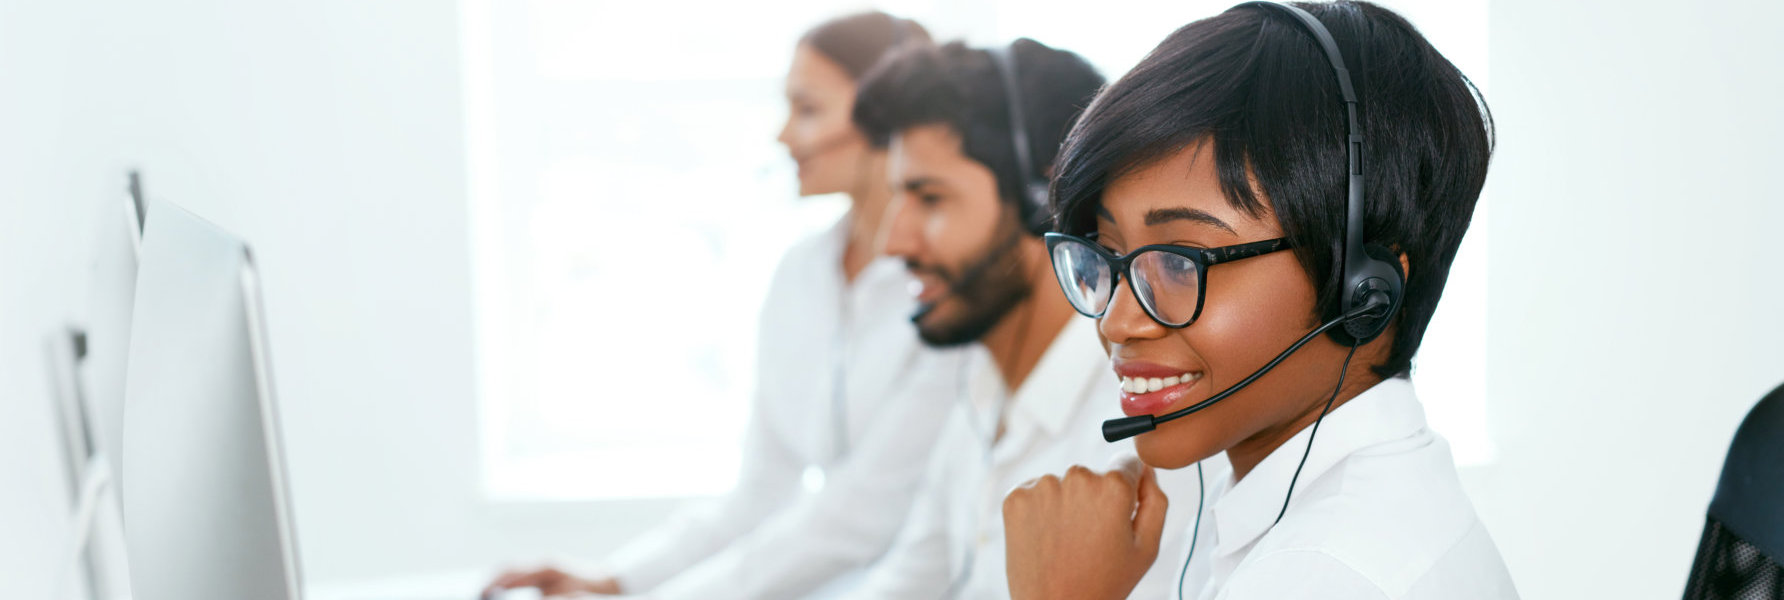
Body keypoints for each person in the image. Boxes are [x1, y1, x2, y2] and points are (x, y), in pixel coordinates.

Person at [999, 2, 1517, 599]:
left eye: (1179, 261)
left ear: (1363, 294)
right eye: (1108, 253)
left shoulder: (1321, 578)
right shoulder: (1342, 512)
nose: (1118, 320)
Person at [483, 12, 963, 600]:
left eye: (807, 109)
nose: (783, 136)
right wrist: (617, 581)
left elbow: (856, 516)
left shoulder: (948, 289)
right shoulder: (800, 272)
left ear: (885, 116)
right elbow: (761, 493)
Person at [838, 38, 1222, 600]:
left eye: (930, 198)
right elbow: (909, 579)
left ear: (1045, 200)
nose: (892, 241)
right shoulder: (981, 384)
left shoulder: (1153, 427)